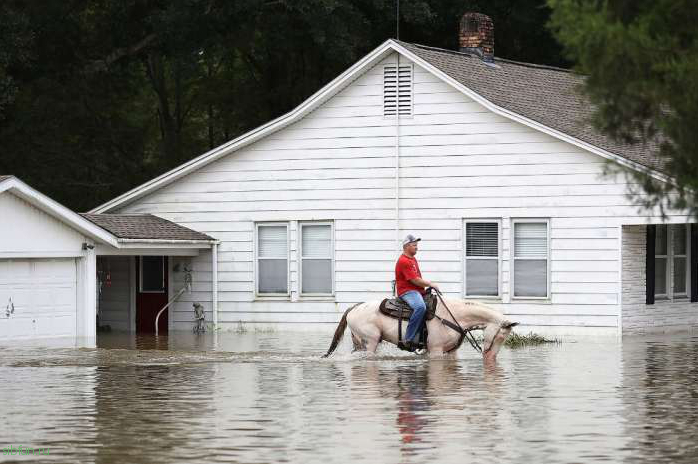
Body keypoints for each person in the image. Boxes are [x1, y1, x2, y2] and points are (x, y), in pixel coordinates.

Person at [394, 234, 439, 353]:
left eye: (416, 245)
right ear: (407, 246)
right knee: (420, 307)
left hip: (417, 291)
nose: (416, 247)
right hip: (407, 291)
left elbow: (417, 279)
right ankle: (408, 339)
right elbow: (414, 280)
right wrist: (430, 284)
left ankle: (424, 339)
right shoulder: (404, 261)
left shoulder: (412, 259)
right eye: (414, 245)